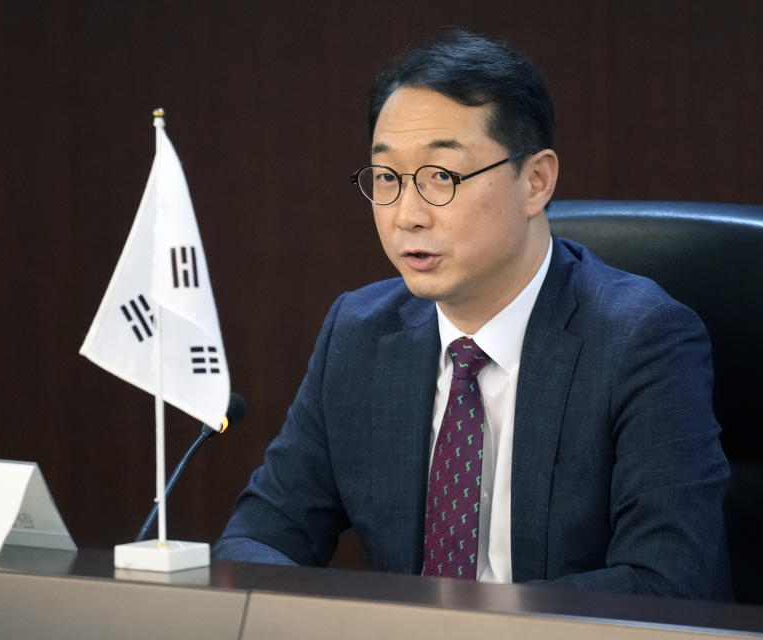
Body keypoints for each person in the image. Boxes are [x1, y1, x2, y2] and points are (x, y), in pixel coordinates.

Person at [214, 29, 731, 599]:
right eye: (387, 179)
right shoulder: (360, 334)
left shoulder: (640, 339)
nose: (407, 214)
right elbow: (258, 542)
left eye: (442, 177)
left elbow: (668, 582)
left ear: (536, 182)